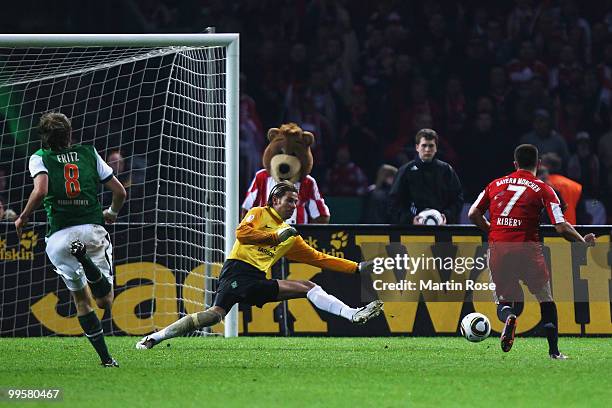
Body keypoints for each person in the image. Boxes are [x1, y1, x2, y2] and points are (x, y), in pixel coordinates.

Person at [136, 181, 383, 349]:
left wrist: (356, 267)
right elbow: (242, 234)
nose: (293, 206)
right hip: (237, 270)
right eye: (289, 201)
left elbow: (319, 258)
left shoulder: (290, 235)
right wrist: (275, 238)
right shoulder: (259, 213)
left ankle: (352, 314)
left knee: (306, 287)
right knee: (214, 316)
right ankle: (155, 337)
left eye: (296, 202)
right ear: (275, 200)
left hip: (254, 279)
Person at [14, 112, 126, 367]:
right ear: (70, 133)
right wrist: (112, 212)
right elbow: (120, 191)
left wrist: (23, 218)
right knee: (105, 301)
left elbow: (41, 190)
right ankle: (84, 258)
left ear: (44, 137)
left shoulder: (39, 157)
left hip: (59, 237)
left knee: (81, 301)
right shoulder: (89, 153)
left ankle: (106, 359)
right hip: (91, 229)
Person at [468, 144, 595, 359]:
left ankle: (509, 316)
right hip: (527, 249)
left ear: (515, 164)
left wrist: (494, 230)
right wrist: (582, 241)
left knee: (503, 301)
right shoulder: (544, 188)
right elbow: (561, 226)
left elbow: (473, 213)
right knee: (545, 298)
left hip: (499, 248)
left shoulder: (495, 184)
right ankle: (554, 352)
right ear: (538, 164)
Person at [389, 128, 463, 224]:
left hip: (442, 228)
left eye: (431, 146)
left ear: (436, 148)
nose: (427, 150)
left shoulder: (446, 170)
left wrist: (447, 216)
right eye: (424, 146)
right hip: (412, 230)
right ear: (417, 147)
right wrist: (410, 219)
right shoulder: (406, 171)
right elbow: (394, 202)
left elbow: (457, 199)